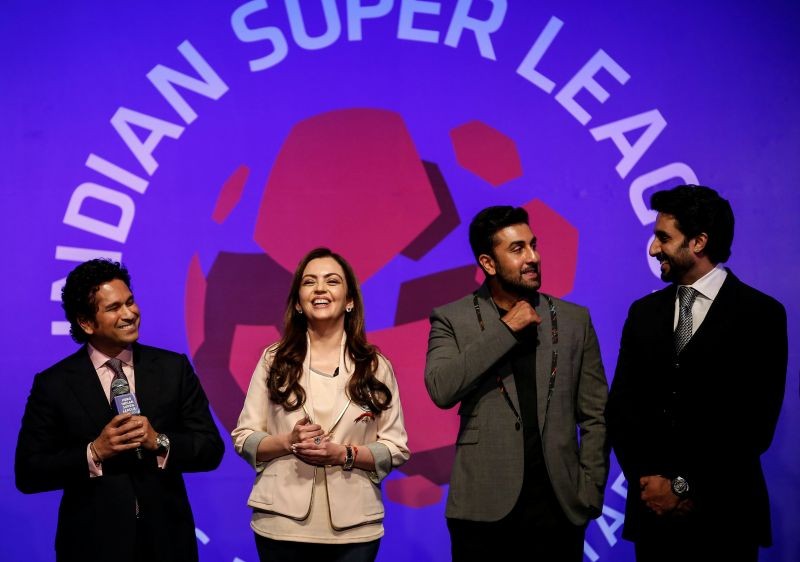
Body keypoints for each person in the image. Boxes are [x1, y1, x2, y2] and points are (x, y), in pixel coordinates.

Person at [607, 185, 788, 562]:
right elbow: (622, 412)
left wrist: (683, 487)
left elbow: (754, 426)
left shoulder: (761, 315)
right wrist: (652, 486)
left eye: (663, 238)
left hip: (726, 519)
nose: (654, 249)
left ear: (699, 242)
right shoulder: (643, 313)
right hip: (654, 517)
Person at [424, 205, 609, 561]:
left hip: (559, 509)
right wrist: (506, 329)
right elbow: (441, 388)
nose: (533, 257)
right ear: (488, 263)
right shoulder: (451, 319)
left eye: (533, 245)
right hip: (482, 511)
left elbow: (595, 415)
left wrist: (589, 491)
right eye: (517, 249)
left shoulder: (574, 320)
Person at [15, 258, 224, 562]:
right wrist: (94, 452)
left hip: (168, 542)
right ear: (86, 322)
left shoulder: (172, 368)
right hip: (92, 546)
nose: (130, 314)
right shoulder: (54, 384)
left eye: (130, 302)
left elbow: (210, 448)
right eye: (114, 308)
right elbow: (28, 472)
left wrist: (160, 442)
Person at [232, 247, 410, 562]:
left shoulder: (375, 365)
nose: (320, 289)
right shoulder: (274, 360)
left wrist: (344, 454)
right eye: (309, 282)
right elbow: (244, 436)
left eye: (332, 281)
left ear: (350, 299)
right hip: (281, 524)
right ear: (298, 303)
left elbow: (396, 447)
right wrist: (288, 442)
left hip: (355, 528)